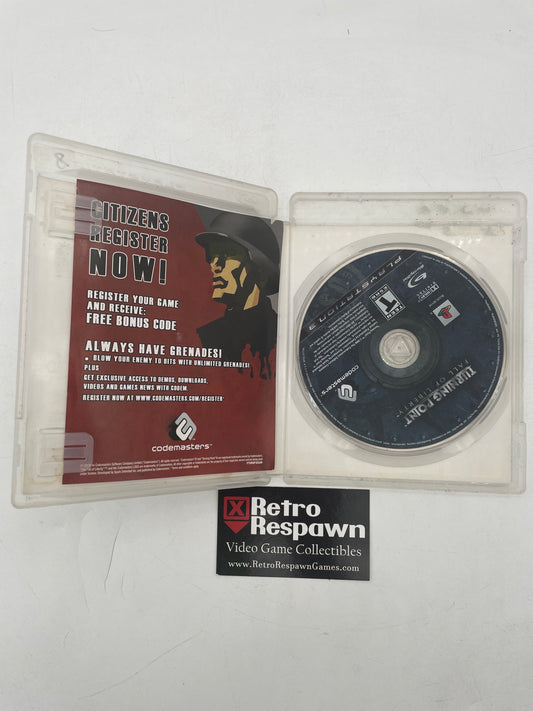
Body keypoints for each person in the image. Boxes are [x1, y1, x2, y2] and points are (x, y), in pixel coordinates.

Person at [195, 213, 280, 378]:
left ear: (260, 271)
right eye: (212, 256)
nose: (215, 265)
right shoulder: (204, 339)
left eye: (227, 254)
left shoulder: (284, 337)